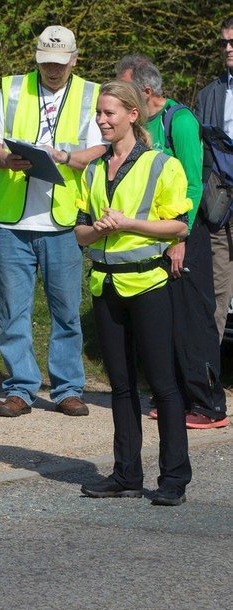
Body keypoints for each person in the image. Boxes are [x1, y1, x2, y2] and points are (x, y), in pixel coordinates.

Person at [0, 25, 105, 419]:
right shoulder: (14, 88)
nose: (52, 70)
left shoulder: (91, 94)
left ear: (74, 58)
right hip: (14, 221)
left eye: (60, 63)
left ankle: (67, 388)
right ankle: (20, 388)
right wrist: (3, 159)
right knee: (13, 310)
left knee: (66, 310)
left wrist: (67, 158)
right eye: (46, 62)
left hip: (63, 220)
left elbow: (101, 144)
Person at [75, 81, 192, 506]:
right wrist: (97, 230)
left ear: (132, 115)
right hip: (105, 285)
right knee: (120, 387)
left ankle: (174, 478)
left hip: (149, 284)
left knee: (163, 384)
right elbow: (81, 234)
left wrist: (128, 225)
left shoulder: (162, 165)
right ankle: (126, 473)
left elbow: (178, 226)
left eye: (109, 114)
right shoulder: (91, 170)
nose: (102, 121)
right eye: (99, 114)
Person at [117, 55, 228, 429]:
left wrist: (181, 235)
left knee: (193, 318)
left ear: (146, 91)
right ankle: (176, 396)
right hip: (156, 233)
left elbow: (194, 184)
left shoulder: (179, 121)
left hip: (185, 231)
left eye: (127, 88)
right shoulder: (142, 125)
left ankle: (209, 404)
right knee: (168, 318)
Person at [195, 16, 233, 344]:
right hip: (220, 207)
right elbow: (200, 154)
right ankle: (206, 378)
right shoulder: (209, 95)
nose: (228, 49)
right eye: (223, 43)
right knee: (217, 295)